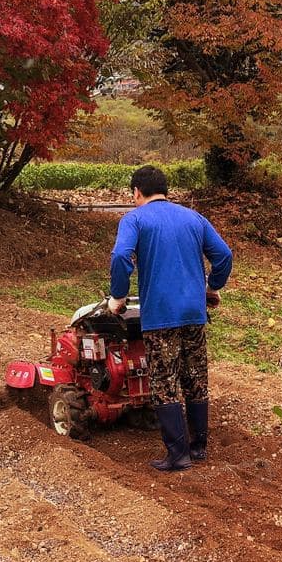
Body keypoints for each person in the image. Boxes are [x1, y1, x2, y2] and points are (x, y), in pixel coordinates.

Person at [108, 165, 232, 472]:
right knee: (195, 377)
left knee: (164, 380)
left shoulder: (134, 219)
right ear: (167, 191)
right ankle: (199, 446)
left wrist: (119, 297)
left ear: (136, 192)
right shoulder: (193, 217)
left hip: (161, 316)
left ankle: (178, 454)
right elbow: (224, 255)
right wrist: (212, 287)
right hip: (194, 314)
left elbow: (121, 256)